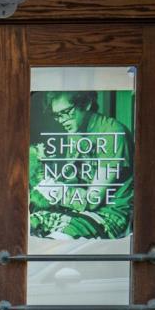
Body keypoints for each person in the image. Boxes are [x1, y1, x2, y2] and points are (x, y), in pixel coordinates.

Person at [30, 90, 132, 239]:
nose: (62, 120)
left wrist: (48, 187)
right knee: (27, 224)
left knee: (56, 242)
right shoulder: (75, 133)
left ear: (87, 104)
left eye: (66, 112)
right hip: (83, 210)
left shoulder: (113, 133)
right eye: (57, 115)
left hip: (111, 215)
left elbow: (92, 201)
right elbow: (73, 180)